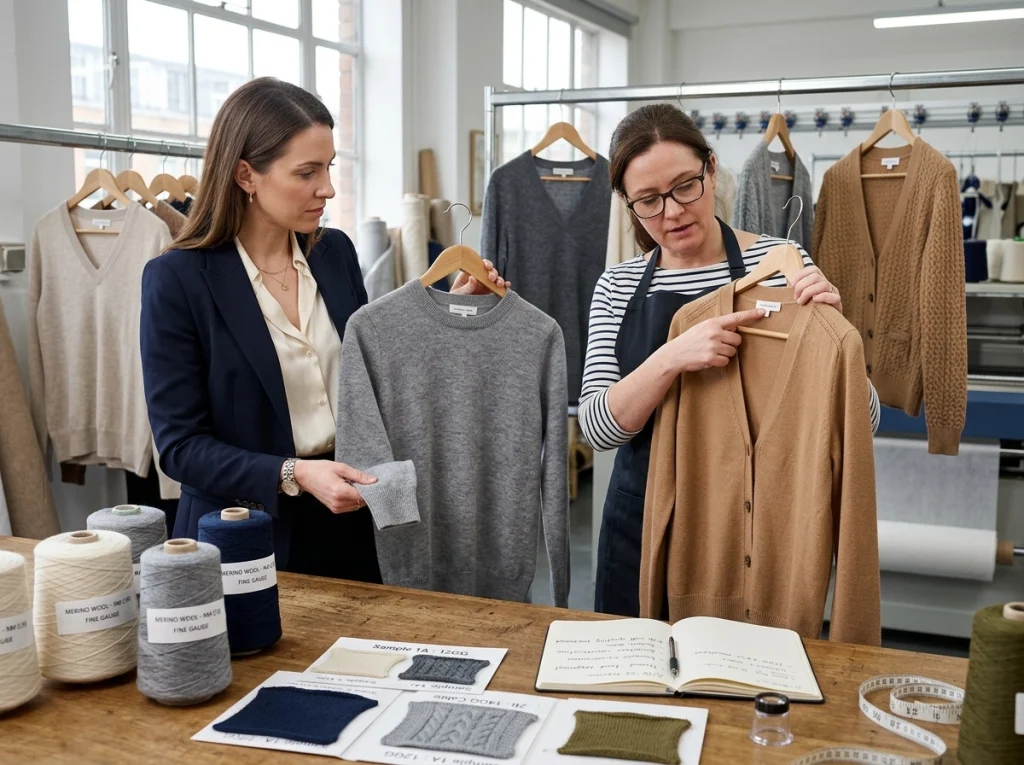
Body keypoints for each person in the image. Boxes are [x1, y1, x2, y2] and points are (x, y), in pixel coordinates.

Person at [140, 77, 508, 580]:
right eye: (307, 172)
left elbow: (373, 370)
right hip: (243, 533)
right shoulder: (177, 280)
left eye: (329, 167)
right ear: (246, 175)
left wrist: (453, 311)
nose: (328, 188)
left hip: (352, 518)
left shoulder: (333, 253)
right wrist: (294, 474)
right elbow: (181, 447)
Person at [580, 104, 881, 616]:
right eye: (649, 201)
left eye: (684, 186)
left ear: (712, 170)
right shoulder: (619, 285)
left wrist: (836, 332)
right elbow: (599, 430)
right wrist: (672, 357)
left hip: (753, 520)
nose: (672, 211)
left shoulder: (784, 265)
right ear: (628, 205)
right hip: (643, 516)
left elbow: (862, 420)